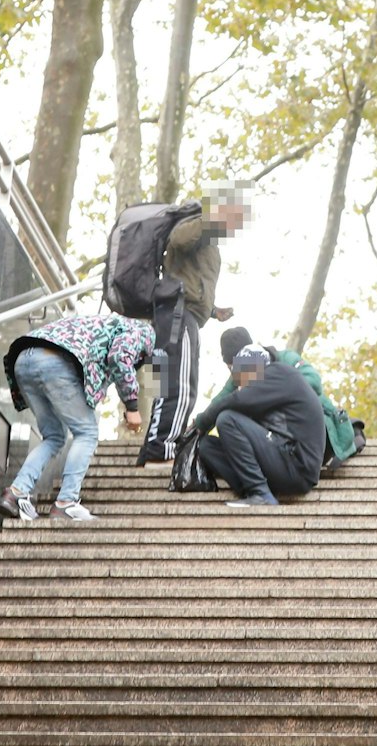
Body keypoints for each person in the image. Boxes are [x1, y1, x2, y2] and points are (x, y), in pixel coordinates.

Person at [0, 311, 155, 521]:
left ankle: (15, 494)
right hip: (55, 362)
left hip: (23, 359)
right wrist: (132, 406)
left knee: (53, 437)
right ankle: (66, 503)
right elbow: (119, 356)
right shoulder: (144, 332)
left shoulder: (97, 321)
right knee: (87, 433)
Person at [138, 185, 248, 467]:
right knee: (182, 384)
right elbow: (179, 240)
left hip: (171, 316)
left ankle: (151, 450)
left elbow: (186, 277)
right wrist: (213, 216)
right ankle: (162, 449)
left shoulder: (209, 241)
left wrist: (211, 311)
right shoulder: (195, 223)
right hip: (177, 317)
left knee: (162, 385)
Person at [189, 344, 326, 508]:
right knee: (208, 446)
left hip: (298, 465)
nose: (241, 386)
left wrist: (201, 423)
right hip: (281, 458)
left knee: (227, 420)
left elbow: (236, 400)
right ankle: (251, 490)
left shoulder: (280, 374)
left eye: (242, 377)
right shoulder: (267, 387)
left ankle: (260, 493)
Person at [212, 327, 363, 468]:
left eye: (237, 366)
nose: (235, 372)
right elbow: (219, 403)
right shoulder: (239, 377)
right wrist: (197, 427)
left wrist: (272, 393)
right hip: (283, 441)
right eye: (230, 368)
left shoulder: (286, 359)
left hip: (318, 432)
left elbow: (314, 382)